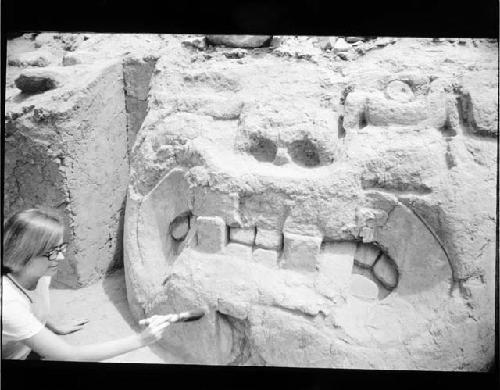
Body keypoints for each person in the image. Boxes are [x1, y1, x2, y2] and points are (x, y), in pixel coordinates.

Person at [2, 208, 174, 361]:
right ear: (22, 254)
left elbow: (33, 304)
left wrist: (51, 324)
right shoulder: (8, 303)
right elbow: (70, 355)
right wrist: (142, 339)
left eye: (61, 247)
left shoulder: (39, 272)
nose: (61, 257)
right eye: (53, 252)